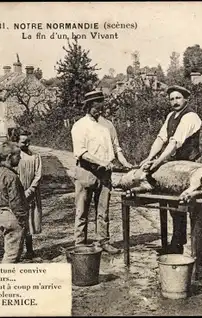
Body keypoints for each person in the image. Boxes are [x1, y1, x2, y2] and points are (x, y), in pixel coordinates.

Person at [140, 85, 202, 255]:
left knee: (189, 206)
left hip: (191, 165)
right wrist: (149, 157)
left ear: (186, 99)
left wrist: (159, 161)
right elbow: (161, 138)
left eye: (178, 98)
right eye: (172, 99)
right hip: (176, 165)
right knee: (173, 204)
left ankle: (195, 248)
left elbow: (175, 142)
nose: (174, 102)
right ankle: (177, 242)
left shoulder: (190, 117)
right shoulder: (170, 116)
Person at [71, 90, 132, 254]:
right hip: (85, 172)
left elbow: (116, 147)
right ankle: (80, 243)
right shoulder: (80, 126)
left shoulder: (108, 125)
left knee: (103, 210)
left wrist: (125, 163)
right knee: (82, 210)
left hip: (105, 175)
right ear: (88, 106)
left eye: (101, 108)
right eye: (96, 108)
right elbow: (81, 152)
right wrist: (102, 162)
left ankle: (102, 241)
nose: (99, 111)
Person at [0, 141, 28, 263]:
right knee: (12, 256)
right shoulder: (11, 176)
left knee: (9, 251)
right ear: (9, 157)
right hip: (12, 216)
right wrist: (23, 218)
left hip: (1, 215)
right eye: (17, 156)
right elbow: (15, 201)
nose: (20, 158)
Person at [11, 130, 43, 260]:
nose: (27, 144)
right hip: (18, 194)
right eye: (24, 142)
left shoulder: (35, 156)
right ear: (17, 142)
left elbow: (38, 175)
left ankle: (30, 251)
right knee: (18, 223)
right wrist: (19, 193)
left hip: (31, 194)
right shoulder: (14, 157)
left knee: (29, 222)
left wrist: (30, 190)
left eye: (28, 141)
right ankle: (15, 252)